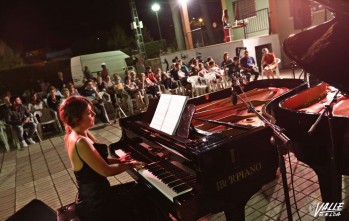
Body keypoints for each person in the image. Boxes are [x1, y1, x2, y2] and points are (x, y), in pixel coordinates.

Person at [58, 96, 166, 221]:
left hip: (94, 195)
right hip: (96, 204)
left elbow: (92, 162)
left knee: (142, 190)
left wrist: (119, 160)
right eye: (88, 113)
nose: (94, 113)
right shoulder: (81, 141)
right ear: (77, 119)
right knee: (144, 197)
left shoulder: (74, 134)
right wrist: (130, 165)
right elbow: (106, 171)